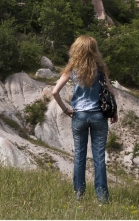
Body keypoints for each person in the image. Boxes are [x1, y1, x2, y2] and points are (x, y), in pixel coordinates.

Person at [52, 35, 118, 203]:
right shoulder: (101, 67)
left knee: (79, 157)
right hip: (98, 116)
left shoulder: (72, 68)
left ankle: (78, 195)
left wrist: (66, 109)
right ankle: (102, 198)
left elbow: (55, 92)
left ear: (77, 49)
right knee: (99, 158)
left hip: (79, 116)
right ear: (94, 49)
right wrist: (113, 111)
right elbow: (110, 91)